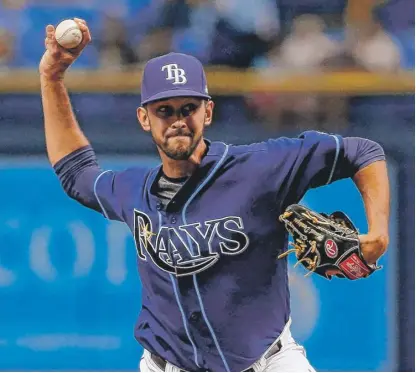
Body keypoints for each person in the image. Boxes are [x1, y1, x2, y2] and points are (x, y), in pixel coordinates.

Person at [39, 19, 390, 372]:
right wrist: (52, 78)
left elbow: (361, 152)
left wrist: (377, 233)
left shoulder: (261, 166)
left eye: (188, 107)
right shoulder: (133, 190)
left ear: (207, 111)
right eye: (164, 110)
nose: (178, 120)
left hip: (269, 362)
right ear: (144, 119)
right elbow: (76, 173)